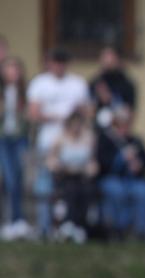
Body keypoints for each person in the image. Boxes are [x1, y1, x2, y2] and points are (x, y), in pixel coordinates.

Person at [27, 48, 89, 237]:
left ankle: (70, 225)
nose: (59, 66)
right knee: (45, 184)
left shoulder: (77, 84)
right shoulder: (40, 83)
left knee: (71, 186)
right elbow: (34, 113)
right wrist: (59, 117)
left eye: (62, 62)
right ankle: (44, 226)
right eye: (56, 62)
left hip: (71, 144)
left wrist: (70, 120)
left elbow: (84, 111)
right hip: (47, 141)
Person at [97, 106, 145, 240]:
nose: (124, 128)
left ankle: (141, 231)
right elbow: (103, 163)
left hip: (133, 179)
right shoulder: (106, 139)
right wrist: (120, 158)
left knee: (143, 190)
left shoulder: (135, 140)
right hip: (111, 178)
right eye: (121, 124)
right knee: (116, 191)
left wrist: (138, 165)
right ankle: (118, 229)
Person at [46, 111, 97, 242]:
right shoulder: (60, 139)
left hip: (82, 177)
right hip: (65, 177)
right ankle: (68, 224)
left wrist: (89, 169)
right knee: (71, 191)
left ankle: (81, 225)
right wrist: (60, 167)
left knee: (86, 191)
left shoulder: (88, 138)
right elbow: (51, 160)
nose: (76, 127)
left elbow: (92, 162)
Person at [0, 56, 30, 240]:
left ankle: (18, 220)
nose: (14, 73)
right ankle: (11, 220)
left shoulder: (24, 92)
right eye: (10, 69)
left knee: (18, 179)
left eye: (16, 69)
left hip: (20, 139)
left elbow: (29, 116)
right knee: (10, 179)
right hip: (4, 139)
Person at [90, 45, 136, 127]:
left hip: (118, 127)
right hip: (98, 128)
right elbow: (90, 107)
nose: (107, 60)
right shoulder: (96, 82)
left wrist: (110, 99)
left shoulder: (126, 83)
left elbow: (130, 111)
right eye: (104, 57)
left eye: (110, 56)